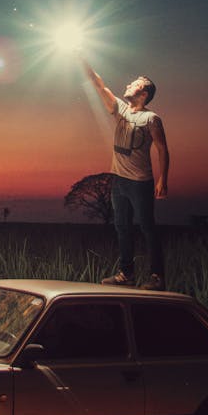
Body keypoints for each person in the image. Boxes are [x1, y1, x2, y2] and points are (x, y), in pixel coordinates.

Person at [81, 59, 170, 289]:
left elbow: (162, 148)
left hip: (140, 182)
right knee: (122, 226)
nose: (129, 84)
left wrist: (163, 179)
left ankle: (157, 277)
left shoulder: (151, 119)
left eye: (136, 83)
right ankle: (126, 274)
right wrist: (81, 58)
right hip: (118, 180)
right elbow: (99, 85)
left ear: (144, 93)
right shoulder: (119, 108)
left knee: (147, 227)